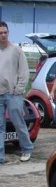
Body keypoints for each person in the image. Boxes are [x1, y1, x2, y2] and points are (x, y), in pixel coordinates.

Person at [0, 20, 34, 163]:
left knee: (18, 122)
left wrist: (17, 89)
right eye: (0, 33)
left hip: (12, 93)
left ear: (8, 33)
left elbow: (24, 72)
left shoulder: (16, 50)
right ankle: (0, 156)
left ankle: (27, 149)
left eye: (5, 32)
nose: (3, 35)